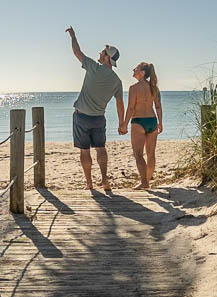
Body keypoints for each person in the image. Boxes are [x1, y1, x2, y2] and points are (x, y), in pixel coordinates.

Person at [66, 26, 126, 192]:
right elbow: (120, 103)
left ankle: (89, 184)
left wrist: (73, 36)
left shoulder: (94, 67)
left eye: (102, 52)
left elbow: (77, 52)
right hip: (99, 118)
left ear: (107, 58)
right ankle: (105, 180)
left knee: (84, 151)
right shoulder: (117, 81)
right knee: (101, 148)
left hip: (82, 118)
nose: (99, 53)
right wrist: (122, 123)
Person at [122, 62, 163, 190]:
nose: (133, 70)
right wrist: (160, 122)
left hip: (139, 121)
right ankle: (147, 182)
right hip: (152, 121)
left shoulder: (133, 88)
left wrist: (124, 124)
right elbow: (158, 106)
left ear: (143, 72)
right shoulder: (154, 88)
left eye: (136, 69)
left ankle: (144, 182)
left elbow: (131, 108)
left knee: (138, 154)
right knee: (151, 154)